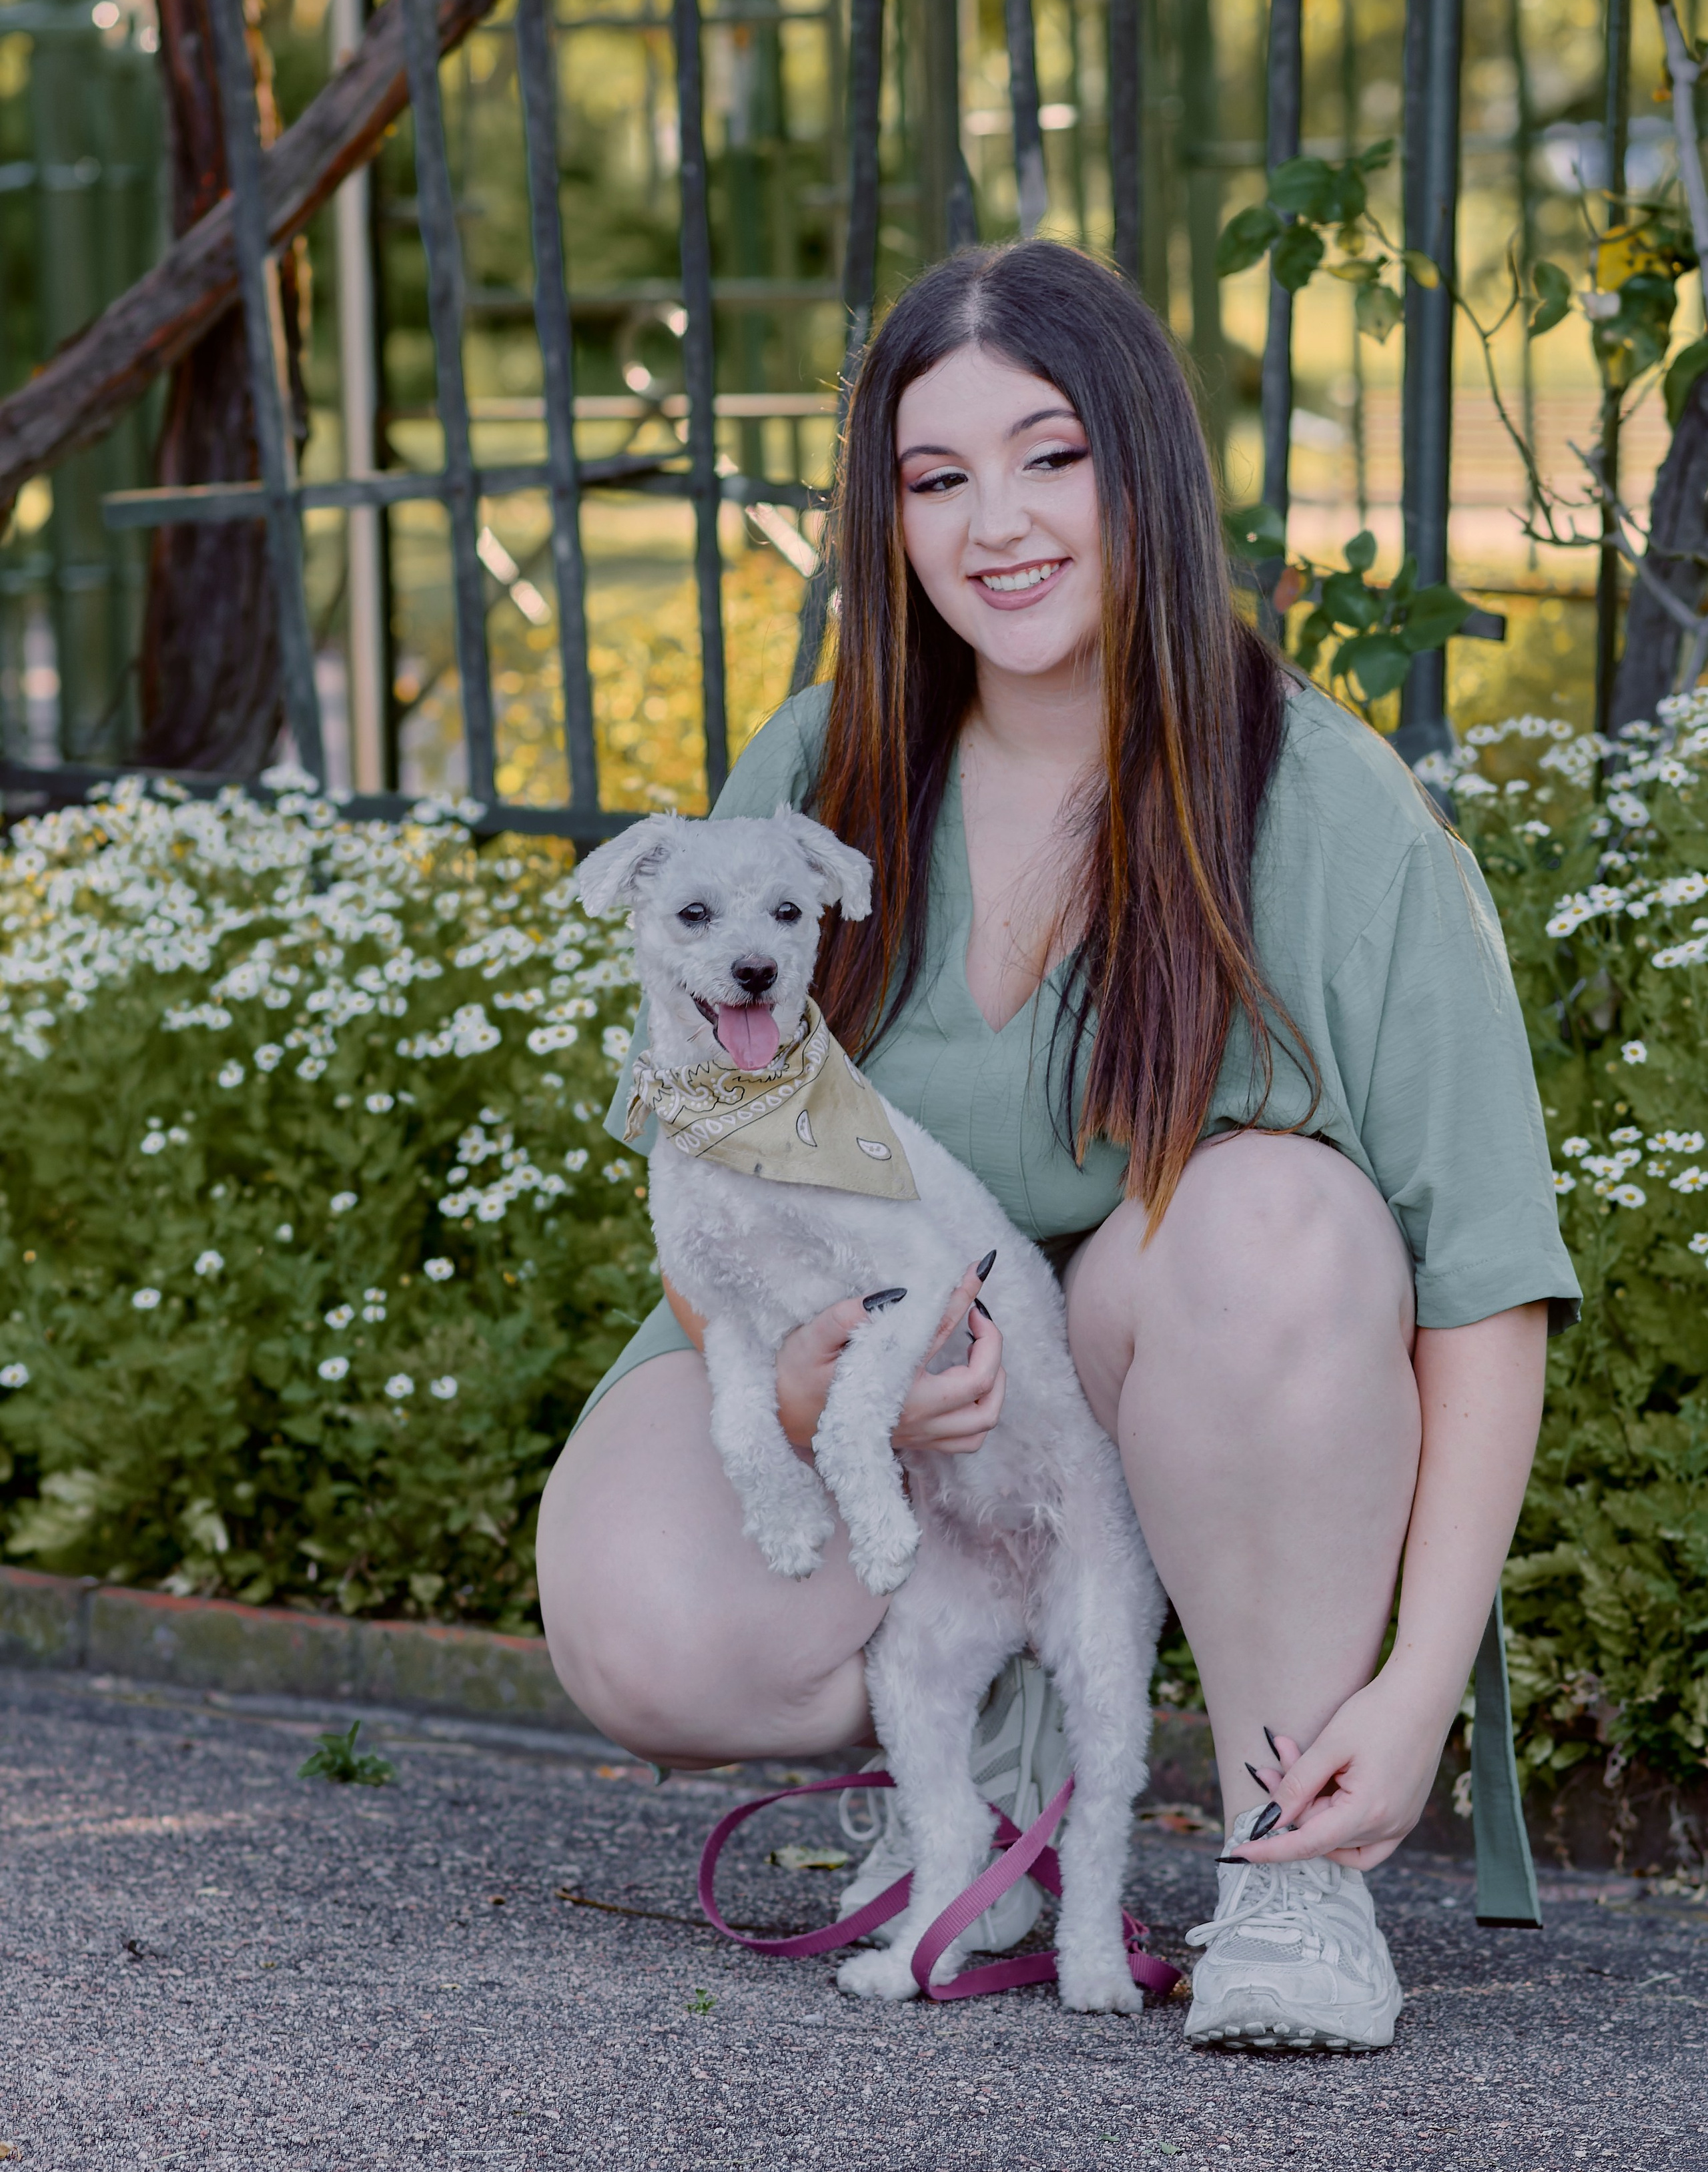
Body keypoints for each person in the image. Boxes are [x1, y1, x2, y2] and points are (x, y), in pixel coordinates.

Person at [536, 239, 1578, 2053]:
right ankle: (970, 1813)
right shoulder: (823, 767)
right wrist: (783, 1383)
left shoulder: (1327, 810)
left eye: (1050, 455)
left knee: (1278, 1223)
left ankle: (1290, 1870)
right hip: (880, 1379)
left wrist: (1419, 1690)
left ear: (1146, 466)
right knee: (635, 1614)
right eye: (936, 479)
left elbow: (1483, 1287)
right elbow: (700, 1162)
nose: (995, 525)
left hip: (1169, 1371)